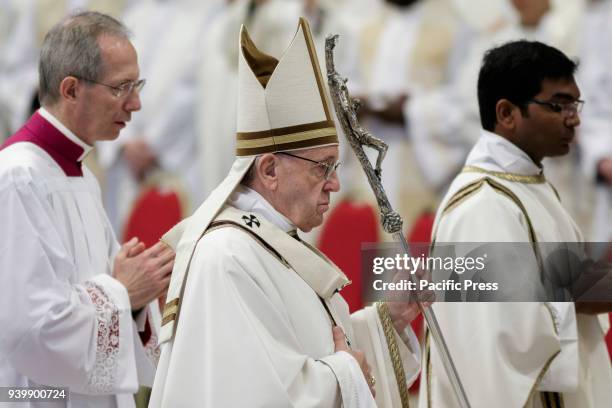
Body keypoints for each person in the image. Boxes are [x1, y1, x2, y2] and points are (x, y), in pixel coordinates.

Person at [150, 17, 422, 407]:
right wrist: (346, 372)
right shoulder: (227, 257)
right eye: (322, 167)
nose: (335, 183)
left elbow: (311, 348)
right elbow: (259, 393)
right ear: (270, 170)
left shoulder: (273, 243)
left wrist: (388, 324)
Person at [421, 40, 612, 407]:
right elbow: (494, 332)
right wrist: (581, 290)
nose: (574, 118)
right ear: (507, 113)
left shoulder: (528, 186)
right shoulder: (480, 204)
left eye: (575, 104)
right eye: (559, 105)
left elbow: (568, 277)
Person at [0, 11, 174, 408]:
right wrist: (123, 290)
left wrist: (132, 283)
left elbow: (95, 290)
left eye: (137, 84)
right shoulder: (17, 177)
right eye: (121, 87)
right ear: (71, 89)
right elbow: (31, 328)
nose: (136, 103)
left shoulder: (81, 176)